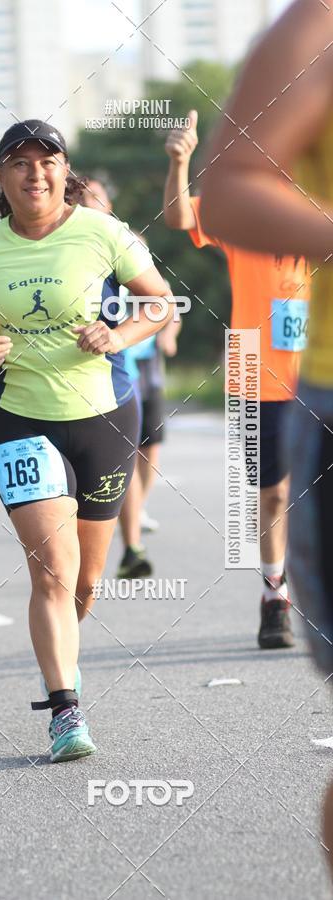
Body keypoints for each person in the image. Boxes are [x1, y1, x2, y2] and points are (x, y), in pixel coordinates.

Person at [0, 120, 172, 762]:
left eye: (48, 162)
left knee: (86, 583)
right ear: (0, 177)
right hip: (17, 417)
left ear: (66, 172)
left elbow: (161, 303)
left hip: (103, 416)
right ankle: (65, 708)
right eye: (20, 163)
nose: (35, 174)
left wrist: (118, 337)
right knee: (53, 571)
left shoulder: (104, 233)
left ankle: (59, 657)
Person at [196, 0, 333, 868]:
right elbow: (225, 187)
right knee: (269, 492)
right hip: (284, 377)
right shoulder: (318, 25)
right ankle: (272, 585)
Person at [163, 109, 311, 649]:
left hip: (322, 375)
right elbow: (180, 218)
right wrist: (180, 162)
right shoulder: (245, 220)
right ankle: (275, 596)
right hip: (256, 374)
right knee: (272, 494)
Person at [79, 177, 181, 578]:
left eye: (98, 198)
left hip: (144, 361)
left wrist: (168, 334)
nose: (92, 204)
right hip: (104, 369)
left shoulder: (126, 241)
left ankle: (129, 513)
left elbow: (164, 298)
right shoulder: (64, 247)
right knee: (124, 454)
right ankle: (132, 544)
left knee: (149, 452)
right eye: (84, 197)